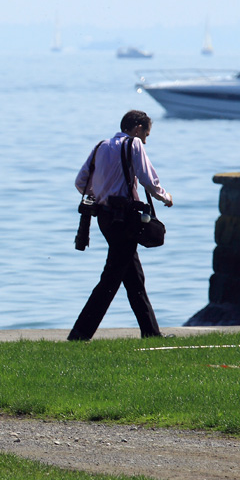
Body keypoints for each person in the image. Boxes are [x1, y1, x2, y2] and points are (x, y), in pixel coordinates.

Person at [68, 110, 174, 341]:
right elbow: (147, 178)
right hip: (125, 218)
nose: (146, 139)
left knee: (134, 277)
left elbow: (81, 182)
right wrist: (164, 196)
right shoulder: (134, 144)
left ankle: (151, 331)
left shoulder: (101, 146)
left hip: (105, 218)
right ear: (137, 128)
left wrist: (102, 194)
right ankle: (79, 334)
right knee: (111, 278)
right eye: (146, 133)